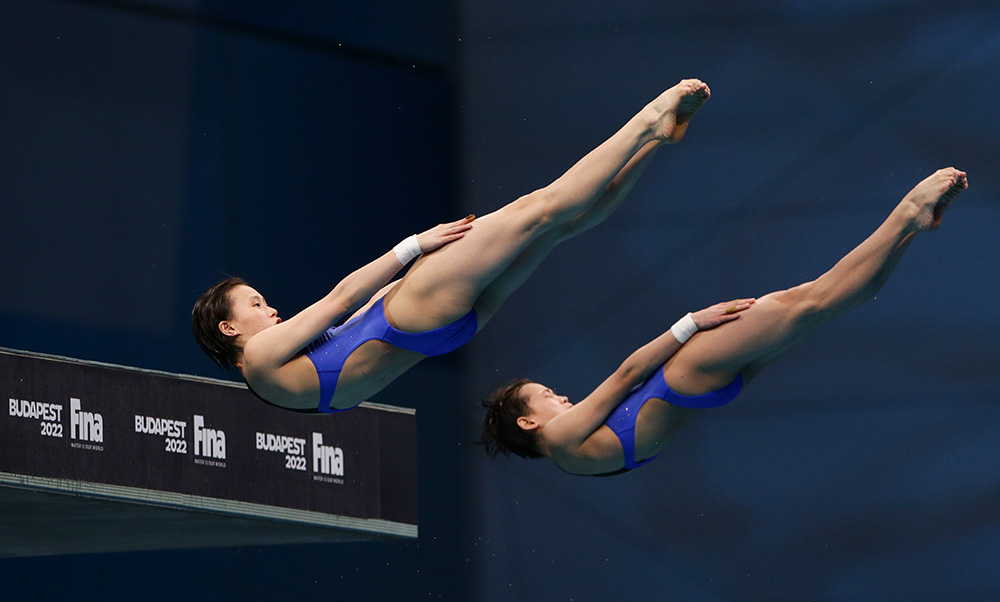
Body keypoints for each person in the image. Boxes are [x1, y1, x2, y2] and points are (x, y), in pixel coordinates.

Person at [192, 79, 713, 412]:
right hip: (411, 315)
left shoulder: (276, 388)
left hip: (440, 333)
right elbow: (342, 299)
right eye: (255, 305)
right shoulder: (259, 355)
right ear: (228, 328)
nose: (271, 308)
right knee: (540, 209)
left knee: (558, 227)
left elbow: (350, 347)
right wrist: (412, 248)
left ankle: (654, 141)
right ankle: (650, 119)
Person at [480, 168, 968, 476]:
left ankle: (911, 229)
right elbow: (626, 375)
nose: (562, 397)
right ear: (528, 422)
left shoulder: (579, 464)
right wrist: (689, 324)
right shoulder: (561, 438)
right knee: (811, 301)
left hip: (706, 392)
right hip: (685, 376)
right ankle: (908, 212)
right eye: (547, 396)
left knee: (821, 307)